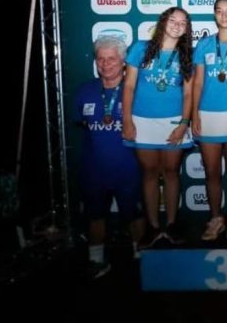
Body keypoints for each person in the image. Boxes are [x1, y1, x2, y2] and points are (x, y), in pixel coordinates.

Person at [122, 7, 194, 248]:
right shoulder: (140, 48)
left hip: (174, 120)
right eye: (173, 20)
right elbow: (129, 86)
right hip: (142, 120)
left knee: (172, 171)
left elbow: (188, 94)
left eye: (182, 23)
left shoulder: (186, 54)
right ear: (163, 22)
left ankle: (172, 224)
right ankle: (153, 227)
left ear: (186, 29)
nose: (177, 25)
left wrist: (183, 124)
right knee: (150, 172)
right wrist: (127, 120)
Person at [76, 36, 144, 278]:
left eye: (111, 59)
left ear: (123, 61)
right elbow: (82, 127)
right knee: (95, 216)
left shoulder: (135, 91)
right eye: (100, 59)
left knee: (135, 216)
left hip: (129, 168)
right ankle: (96, 261)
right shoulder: (85, 91)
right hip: (94, 170)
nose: (105, 64)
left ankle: (141, 260)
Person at [192, 0, 227, 241]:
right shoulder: (204, 45)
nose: (224, 15)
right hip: (208, 115)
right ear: (214, 14)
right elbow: (198, 82)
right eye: (219, 11)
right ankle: (215, 218)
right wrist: (194, 114)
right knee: (212, 171)